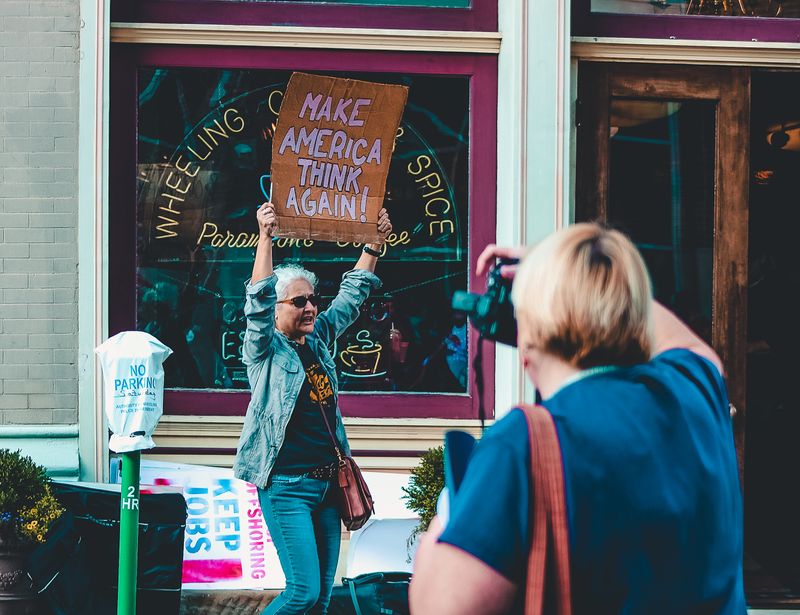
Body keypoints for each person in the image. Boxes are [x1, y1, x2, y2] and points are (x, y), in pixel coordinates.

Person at [409, 224, 746, 614]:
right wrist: (586, 282)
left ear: (527, 341)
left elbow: (443, 607)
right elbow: (690, 346)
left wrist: (449, 515)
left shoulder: (524, 443)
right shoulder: (693, 393)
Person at [233, 202, 392, 614]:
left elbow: (351, 298)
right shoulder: (264, 350)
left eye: (312, 299)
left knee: (320, 600)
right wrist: (265, 238)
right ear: (277, 309)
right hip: (287, 486)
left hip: (327, 485)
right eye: (298, 301)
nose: (310, 307)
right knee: (301, 592)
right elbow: (257, 303)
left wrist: (372, 247)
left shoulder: (317, 339)